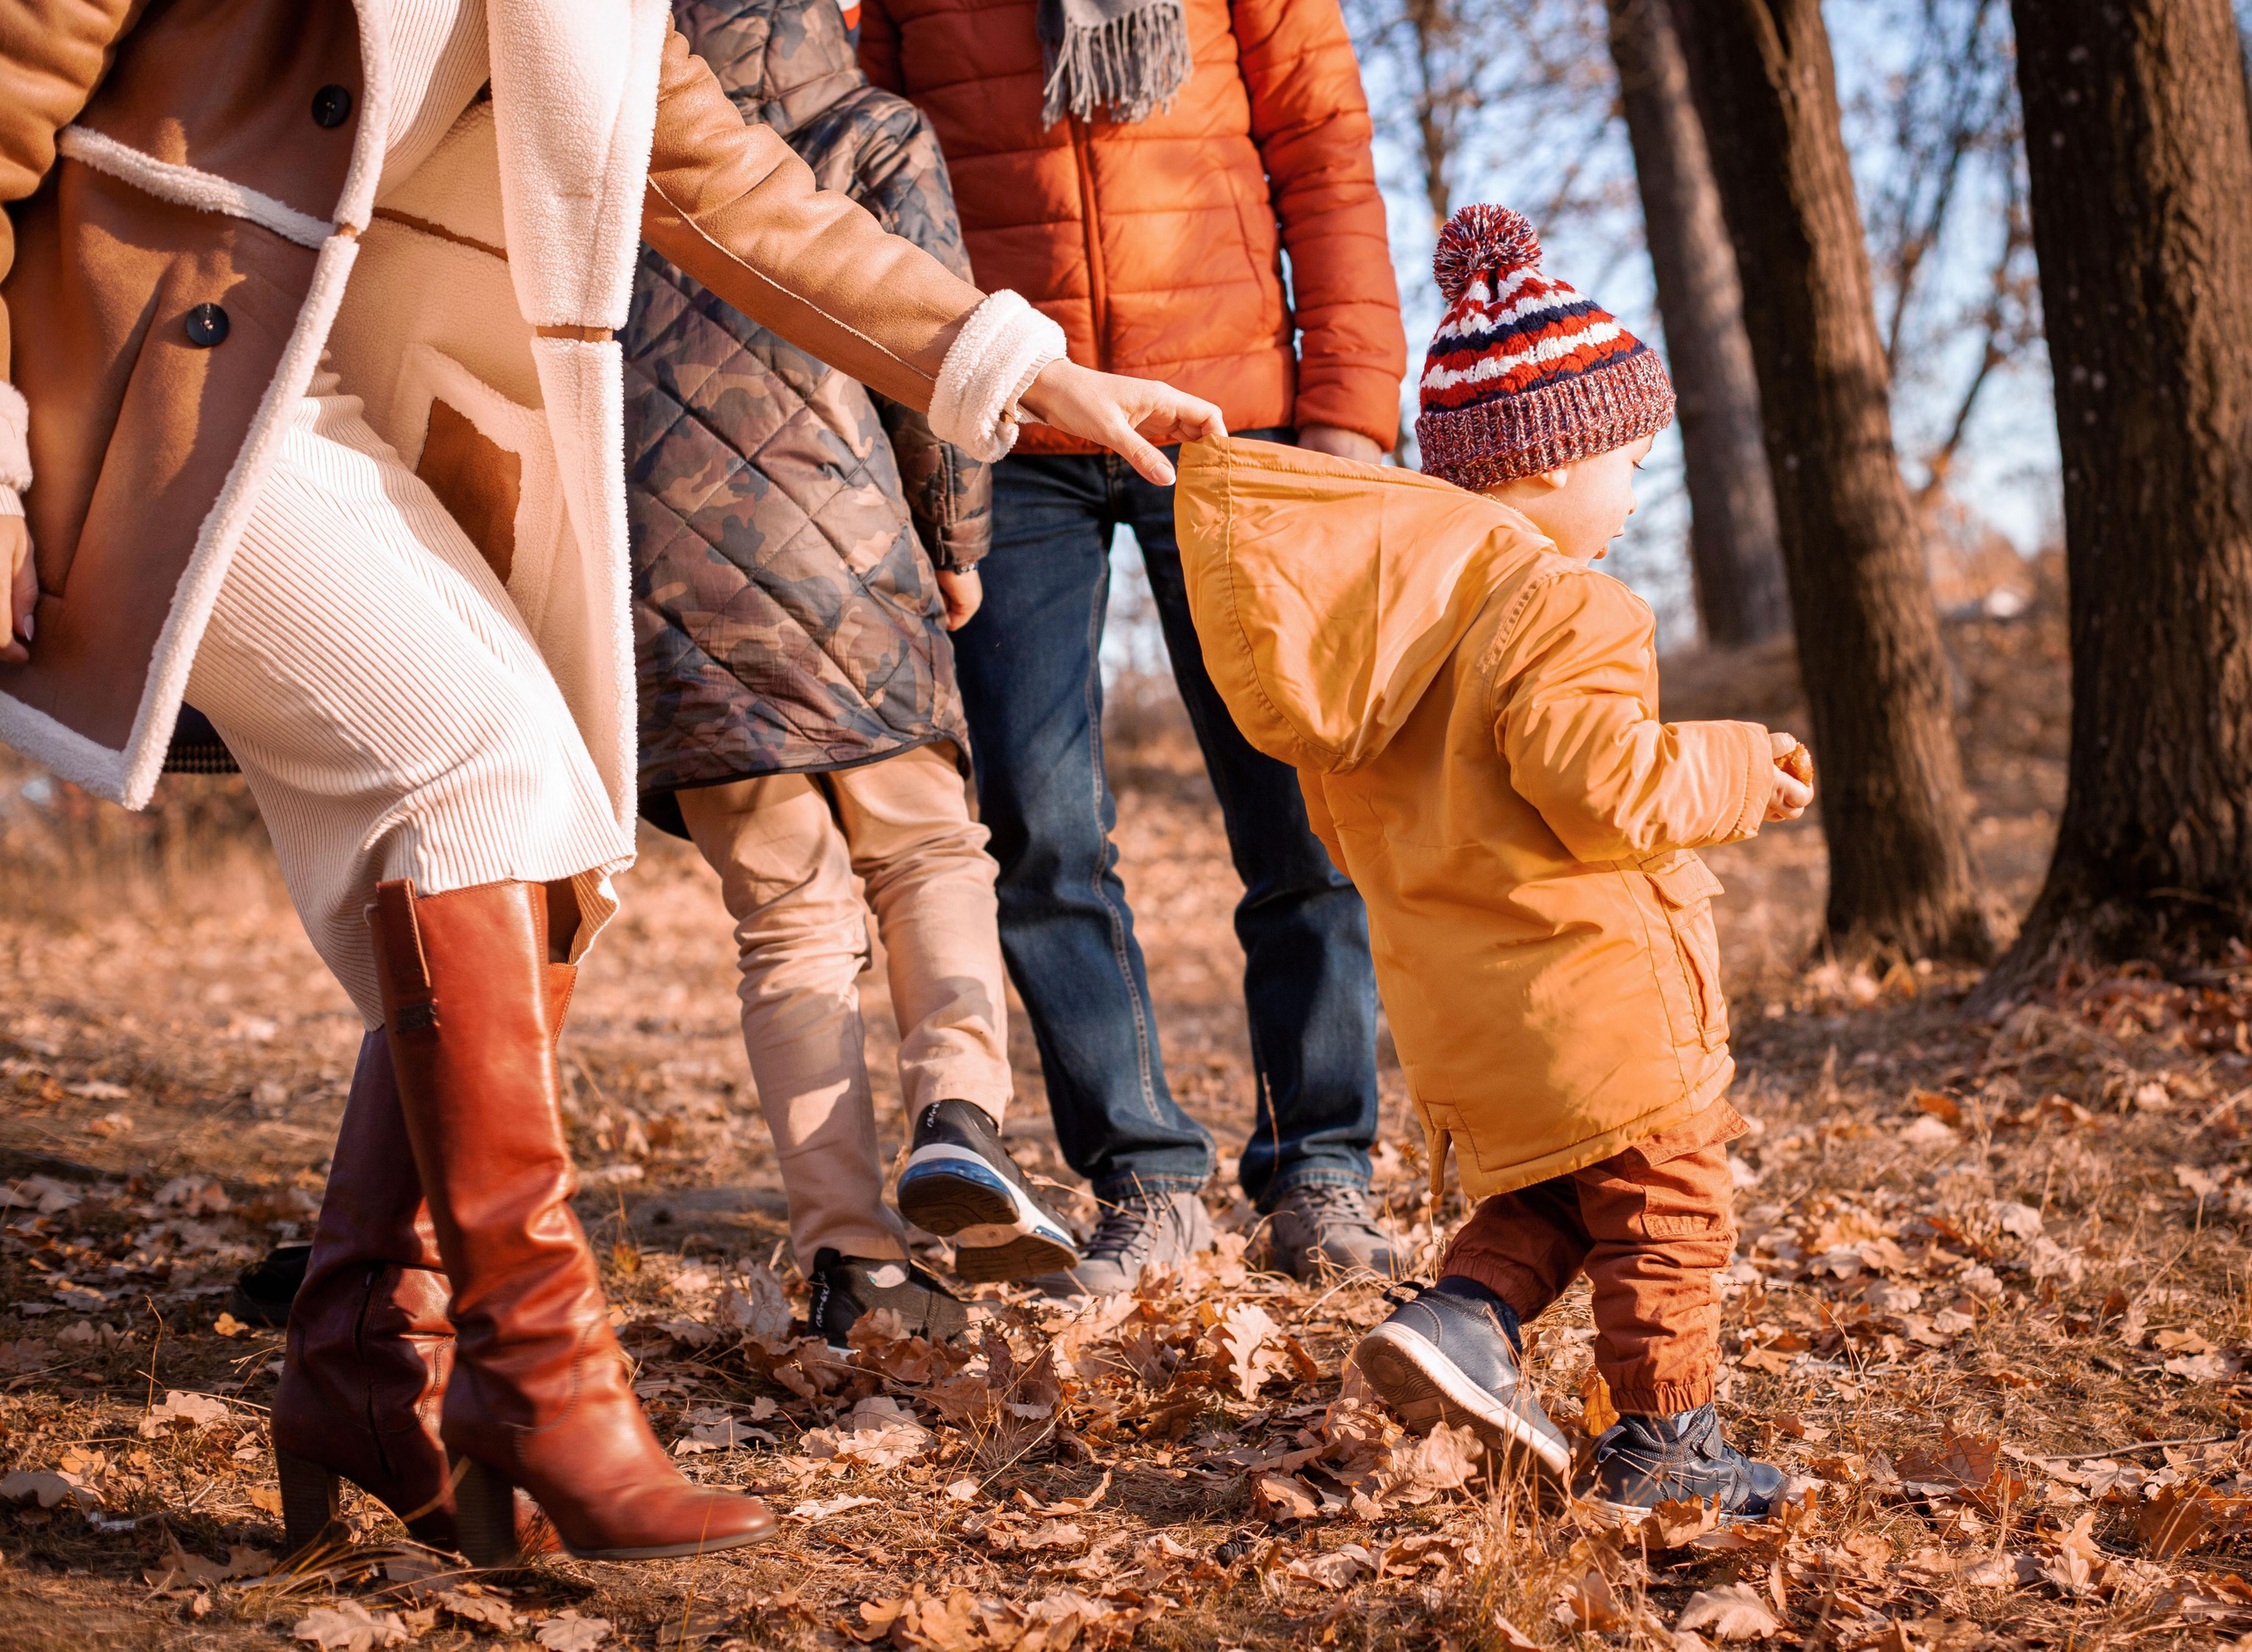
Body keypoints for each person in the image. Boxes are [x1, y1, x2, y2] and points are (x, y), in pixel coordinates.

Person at [0, 0, 1218, 1568]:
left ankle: (373, 1351)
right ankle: (534, 1375)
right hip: (139, 351)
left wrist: (1011, 365)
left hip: (342, 378)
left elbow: (728, 184)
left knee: (548, 813)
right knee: (482, 762)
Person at [1173, 206, 1815, 1520]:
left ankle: (1463, 1317)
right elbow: (1607, 782)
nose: (1637, 490)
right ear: (1548, 461)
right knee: (1669, 1199)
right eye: (1630, 459)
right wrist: (1746, 766)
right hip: (1597, 994)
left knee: (1563, 1199)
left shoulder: (1393, 642)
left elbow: (1353, 831)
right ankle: (1666, 1445)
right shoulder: (1565, 601)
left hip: (1474, 1010)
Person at [859, 0, 1410, 1290]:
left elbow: (1324, 147)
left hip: (1231, 418)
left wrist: (1346, 411)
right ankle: (1143, 1180)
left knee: (1298, 808)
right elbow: (877, 185)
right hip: (1011, 427)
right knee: (1040, 824)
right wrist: (917, 442)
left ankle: (1321, 1166)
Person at [625, 0, 1079, 1349]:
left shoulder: (601, 127)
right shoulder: (869, 125)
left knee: (785, 917)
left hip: (669, 575)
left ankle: (851, 1260)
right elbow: (926, 352)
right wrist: (957, 545)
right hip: (853, 549)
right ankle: (959, 1115)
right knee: (931, 853)